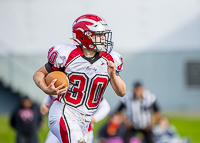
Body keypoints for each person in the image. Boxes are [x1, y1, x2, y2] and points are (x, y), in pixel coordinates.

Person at [33, 14, 126, 143]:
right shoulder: (67, 54)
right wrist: (46, 89)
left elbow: (122, 92)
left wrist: (113, 76)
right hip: (64, 112)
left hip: (86, 121)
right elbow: (38, 74)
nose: (103, 39)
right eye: (99, 34)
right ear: (84, 35)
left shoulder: (111, 59)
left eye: (104, 35)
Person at [40, 95, 111, 143]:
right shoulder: (61, 77)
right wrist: (46, 103)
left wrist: (94, 118)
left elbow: (105, 106)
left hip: (82, 131)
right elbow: (51, 94)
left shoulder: (85, 84)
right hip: (60, 126)